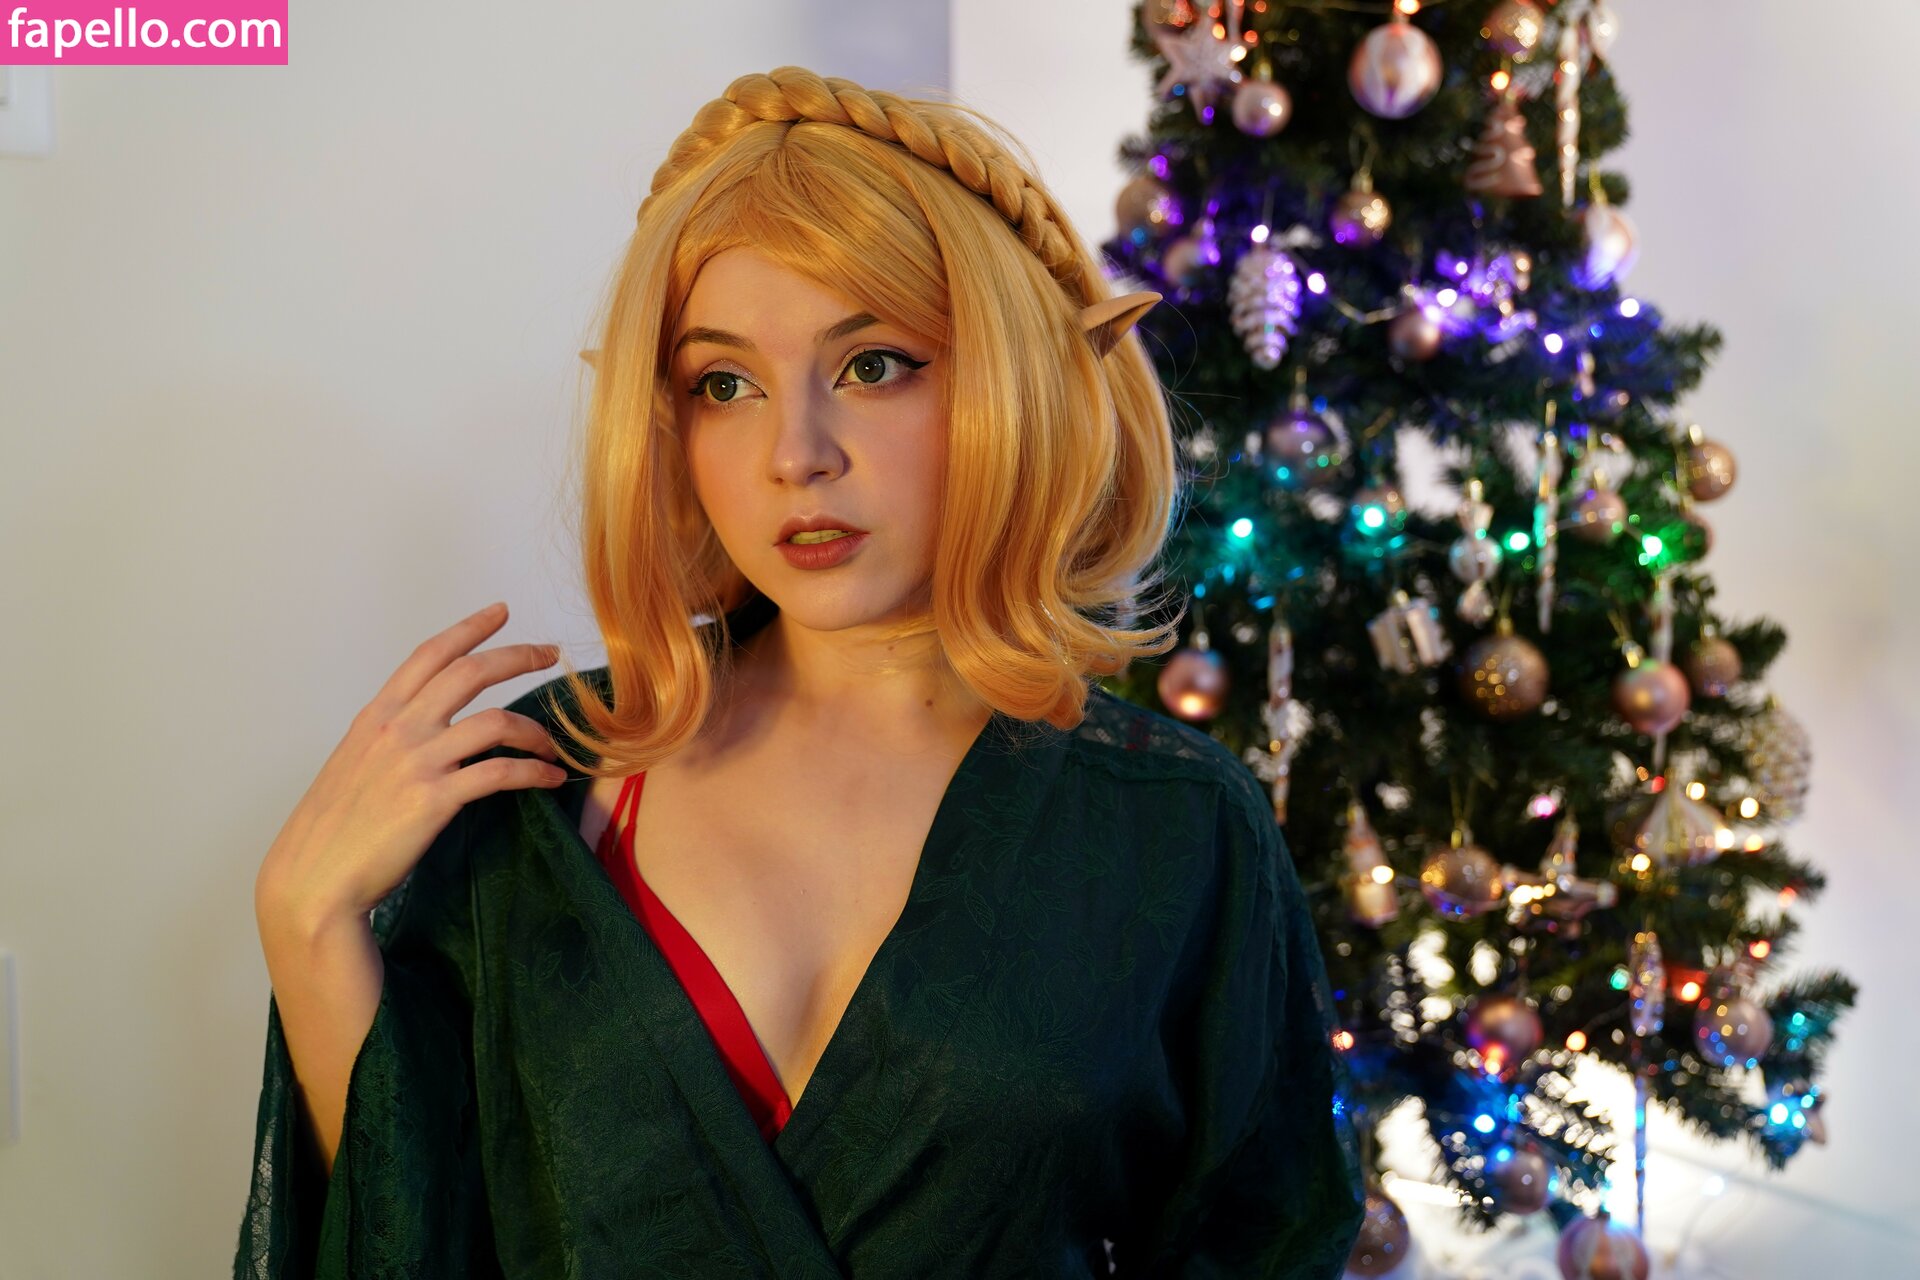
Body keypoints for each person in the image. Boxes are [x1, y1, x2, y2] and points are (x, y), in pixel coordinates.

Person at [237, 64, 1366, 1278]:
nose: (796, 454)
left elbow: (1266, 1245)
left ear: (1011, 380)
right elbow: (412, 1238)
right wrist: (305, 921)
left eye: (873, 363)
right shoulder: (535, 794)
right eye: (724, 385)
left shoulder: (1175, 825)